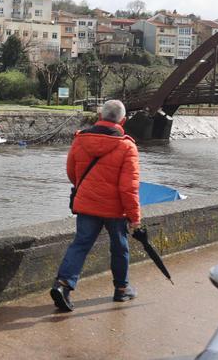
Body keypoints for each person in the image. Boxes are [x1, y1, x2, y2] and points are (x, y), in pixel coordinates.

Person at [51, 99, 141, 312]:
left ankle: (63, 284)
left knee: (80, 244)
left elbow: (72, 173)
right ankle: (121, 289)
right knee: (119, 247)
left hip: (87, 204)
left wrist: (88, 189)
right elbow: (128, 187)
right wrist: (135, 217)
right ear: (123, 120)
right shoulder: (127, 146)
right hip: (114, 210)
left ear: (100, 116)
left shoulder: (81, 139)